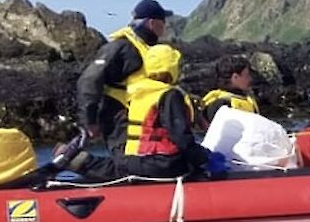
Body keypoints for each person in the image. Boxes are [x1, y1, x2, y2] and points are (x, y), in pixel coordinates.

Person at [65, 44, 213, 181]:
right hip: (161, 163)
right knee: (191, 164)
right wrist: (203, 159)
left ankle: (78, 160)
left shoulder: (138, 93)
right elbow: (180, 137)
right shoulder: (169, 95)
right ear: (172, 67)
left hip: (132, 160)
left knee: (116, 168)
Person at [72, 0, 175, 155]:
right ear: (152, 23)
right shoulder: (121, 47)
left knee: (142, 161)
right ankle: (77, 162)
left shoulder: (148, 49)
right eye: (163, 21)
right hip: (119, 119)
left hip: (143, 120)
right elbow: (89, 80)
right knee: (126, 163)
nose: (165, 25)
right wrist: (89, 121)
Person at [200, 56, 260, 123]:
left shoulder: (244, 97)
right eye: (247, 75)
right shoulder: (219, 104)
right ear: (235, 77)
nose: (250, 79)